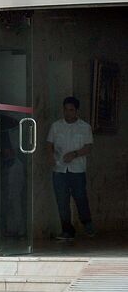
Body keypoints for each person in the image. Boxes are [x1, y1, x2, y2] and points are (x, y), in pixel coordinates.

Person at [47, 96, 94, 241]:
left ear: (76, 111)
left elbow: (88, 147)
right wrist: (50, 156)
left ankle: (87, 223)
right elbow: (49, 143)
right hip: (59, 169)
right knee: (62, 201)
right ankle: (67, 229)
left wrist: (75, 154)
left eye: (71, 110)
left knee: (80, 197)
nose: (68, 113)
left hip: (77, 169)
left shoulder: (84, 127)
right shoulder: (56, 126)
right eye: (66, 110)